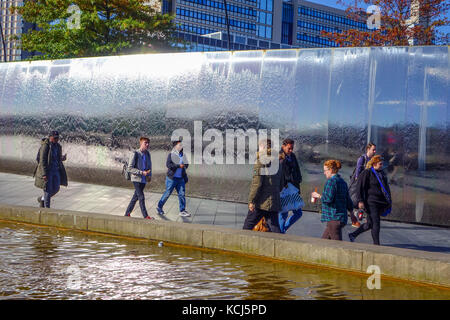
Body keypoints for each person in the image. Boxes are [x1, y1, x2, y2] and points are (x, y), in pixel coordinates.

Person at [348, 155, 392, 245]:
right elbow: (359, 187)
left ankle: (353, 235)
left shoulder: (381, 174)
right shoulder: (367, 173)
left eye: (382, 164)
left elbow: (386, 188)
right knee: (376, 223)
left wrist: (389, 201)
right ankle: (376, 245)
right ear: (374, 164)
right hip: (371, 202)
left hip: (380, 202)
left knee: (370, 224)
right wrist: (360, 200)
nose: (382, 165)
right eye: (380, 164)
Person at [243, 139, 284, 233]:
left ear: (264, 147)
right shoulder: (277, 162)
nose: (259, 149)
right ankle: (279, 246)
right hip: (273, 201)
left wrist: (252, 200)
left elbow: (257, 184)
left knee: (247, 226)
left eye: (260, 147)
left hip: (260, 202)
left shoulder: (260, 161)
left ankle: (242, 245)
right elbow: (281, 184)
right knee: (274, 228)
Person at [311, 160, 353, 241]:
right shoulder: (342, 182)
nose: (324, 173)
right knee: (323, 243)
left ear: (330, 170)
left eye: (325, 170)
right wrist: (351, 213)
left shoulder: (331, 181)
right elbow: (348, 199)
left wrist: (318, 195)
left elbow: (328, 199)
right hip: (341, 218)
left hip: (333, 218)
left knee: (337, 246)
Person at [34, 131, 68, 208]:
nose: (57, 139)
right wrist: (44, 174)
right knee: (48, 191)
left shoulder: (58, 146)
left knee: (56, 188)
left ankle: (42, 199)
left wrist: (62, 158)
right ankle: (47, 210)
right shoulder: (46, 146)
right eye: (55, 138)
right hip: (48, 171)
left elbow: (57, 157)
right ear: (50, 137)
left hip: (56, 170)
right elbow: (42, 160)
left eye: (58, 138)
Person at [156, 140, 190, 217]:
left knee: (182, 194)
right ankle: (159, 207)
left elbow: (187, 164)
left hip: (180, 179)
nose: (181, 146)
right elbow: (168, 165)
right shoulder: (171, 155)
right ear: (175, 146)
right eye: (179, 145)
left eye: (181, 145)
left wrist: (185, 165)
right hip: (172, 179)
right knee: (167, 193)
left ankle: (182, 210)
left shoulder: (183, 155)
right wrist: (178, 166)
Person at [124, 137, 153, 219]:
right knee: (141, 197)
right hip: (136, 179)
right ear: (141, 143)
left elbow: (149, 166)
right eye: (145, 143)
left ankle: (127, 214)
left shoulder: (148, 154)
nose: (147, 144)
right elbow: (129, 168)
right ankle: (145, 216)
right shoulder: (135, 153)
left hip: (143, 179)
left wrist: (149, 175)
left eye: (148, 143)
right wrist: (141, 172)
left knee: (135, 197)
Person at [278, 138, 303, 234]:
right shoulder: (280, 157)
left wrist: (298, 181)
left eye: (292, 148)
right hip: (284, 189)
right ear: (283, 146)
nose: (291, 150)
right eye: (289, 148)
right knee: (283, 214)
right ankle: (280, 232)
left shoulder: (292, 156)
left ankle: (282, 230)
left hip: (293, 189)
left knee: (298, 213)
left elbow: (297, 170)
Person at [349, 143, 376, 227]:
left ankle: (364, 217)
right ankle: (356, 216)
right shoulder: (362, 158)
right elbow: (358, 170)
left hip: (368, 183)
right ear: (368, 149)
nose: (374, 151)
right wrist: (358, 180)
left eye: (375, 150)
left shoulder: (373, 160)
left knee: (366, 200)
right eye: (373, 149)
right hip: (360, 182)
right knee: (357, 199)